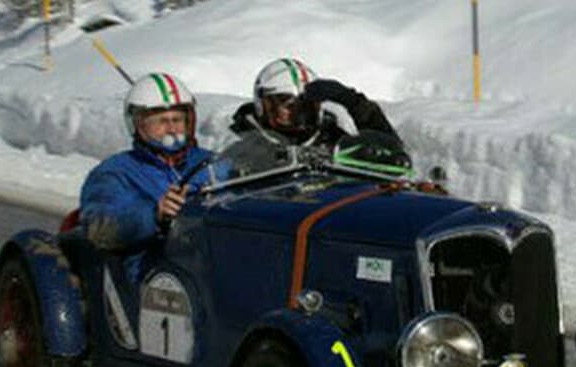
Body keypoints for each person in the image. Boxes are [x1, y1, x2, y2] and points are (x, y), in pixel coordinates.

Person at [79, 72, 223, 282]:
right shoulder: (115, 172)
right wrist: (155, 214)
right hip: (155, 274)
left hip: (217, 257)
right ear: (139, 125)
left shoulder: (215, 163)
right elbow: (100, 227)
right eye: (161, 121)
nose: (172, 128)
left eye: (177, 119)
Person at [220, 58, 401, 172]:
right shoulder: (246, 150)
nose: (298, 111)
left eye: (306, 104)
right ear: (263, 105)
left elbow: (394, 159)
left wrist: (352, 101)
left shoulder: (334, 141)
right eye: (286, 103)